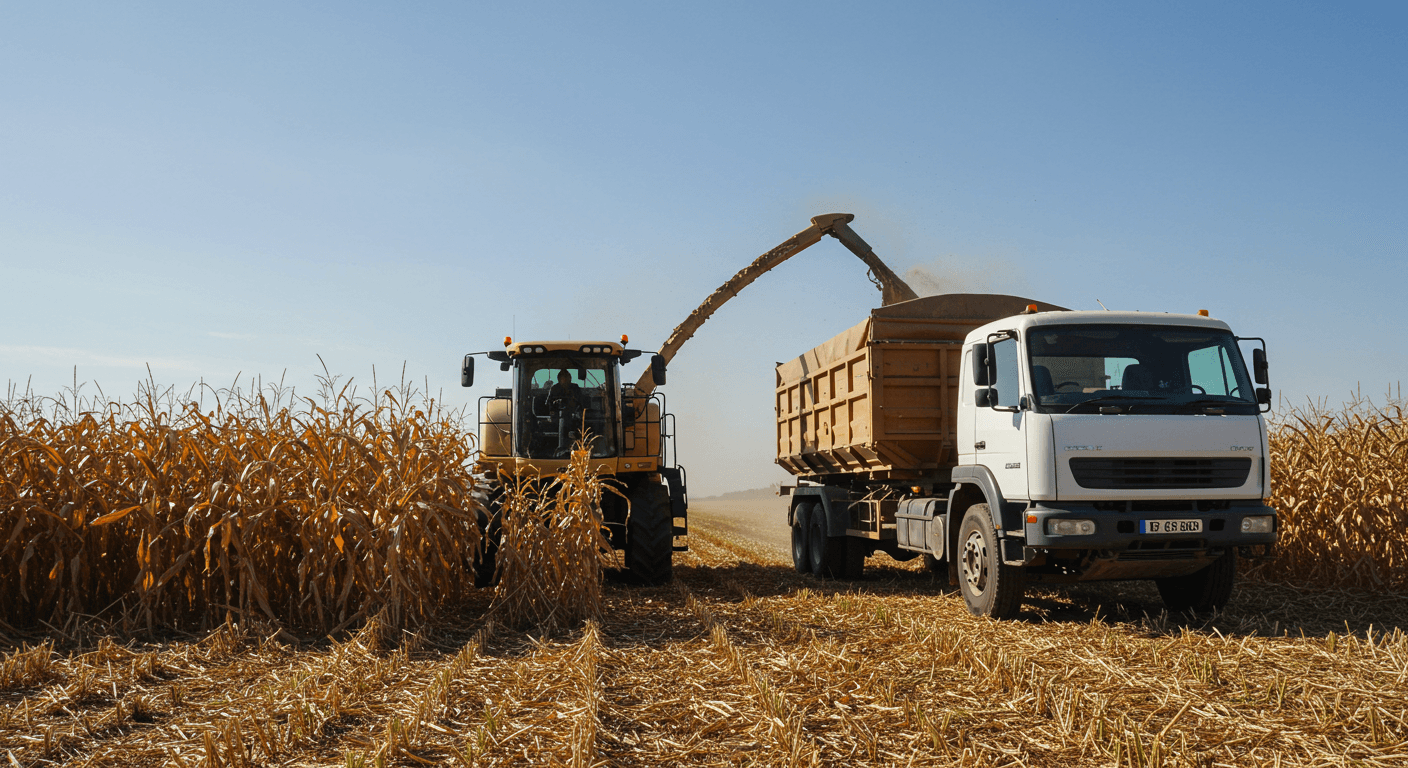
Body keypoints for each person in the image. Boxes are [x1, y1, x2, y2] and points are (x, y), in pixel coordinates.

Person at [546, 369, 583, 452]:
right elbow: (549, 404)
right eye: (563, 378)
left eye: (567, 377)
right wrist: (556, 404)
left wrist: (573, 402)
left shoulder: (575, 388)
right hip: (557, 417)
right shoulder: (554, 388)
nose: (565, 380)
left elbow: (581, 402)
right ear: (559, 379)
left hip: (574, 416)